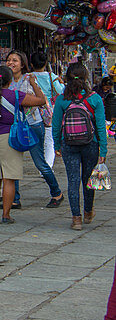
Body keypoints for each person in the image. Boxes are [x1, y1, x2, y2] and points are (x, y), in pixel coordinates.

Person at [0, 65, 46, 224]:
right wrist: (34, 83)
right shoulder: (16, 95)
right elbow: (41, 100)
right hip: (11, 138)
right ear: (10, 80)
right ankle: (6, 215)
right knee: (9, 178)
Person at [52, 62, 106, 230]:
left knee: (73, 180)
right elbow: (100, 127)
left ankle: (76, 219)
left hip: (68, 144)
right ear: (86, 77)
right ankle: (88, 211)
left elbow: (56, 126)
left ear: (67, 78)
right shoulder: (95, 98)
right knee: (89, 180)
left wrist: (57, 144)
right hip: (91, 144)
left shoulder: (62, 99)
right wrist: (103, 149)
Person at [6, 49, 61, 208]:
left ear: (22, 64)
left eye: (15, 60)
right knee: (12, 163)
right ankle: (15, 199)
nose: (11, 63)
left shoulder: (29, 78)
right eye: (9, 60)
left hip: (33, 125)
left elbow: (41, 100)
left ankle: (56, 193)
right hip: (14, 126)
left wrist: (33, 84)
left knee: (40, 162)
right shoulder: (5, 80)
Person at [30, 50, 64, 167]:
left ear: (32, 64)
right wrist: (62, 83)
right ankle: (47, 167)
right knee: (49, 140)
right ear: (45, 64)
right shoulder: (52, 77)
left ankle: (41, 165)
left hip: (32, 111)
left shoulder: (28, 77)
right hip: (48, 111)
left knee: (37, 139)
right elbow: (60, 91)